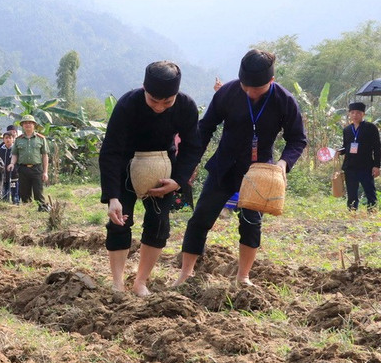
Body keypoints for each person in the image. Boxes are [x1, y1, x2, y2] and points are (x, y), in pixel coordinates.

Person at [175, 49, 307, 287]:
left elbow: (297, 139)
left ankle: (243, 276)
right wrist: (191, 162)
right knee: (200, 219)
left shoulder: (284, 100)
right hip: (224, 166)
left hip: (260, 173)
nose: (250, 92)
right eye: (246, 87)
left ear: (271, 81)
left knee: (251, 223)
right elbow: (205, 128)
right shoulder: (228, 92)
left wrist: (282, 164)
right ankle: (185, 274)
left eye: (257, 89)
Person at [99, 61, 201, 296]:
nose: (159, 107)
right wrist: (112, 197)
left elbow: (192, 146)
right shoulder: (127, 104)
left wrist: (178, 179)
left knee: (158, 223)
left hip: (163, 167)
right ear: (144, 88)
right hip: (127, 163)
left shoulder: (186, 106)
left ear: (176, 94)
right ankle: (117, 283)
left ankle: (141, 282)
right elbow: (110, 150)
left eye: (167, 102)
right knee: (119, 221)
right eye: (154, 100)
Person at [338, 101, 380, 210]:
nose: (355, 115)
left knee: (370, 191)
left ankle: (372, 211)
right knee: (351, 192)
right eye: (352, 113)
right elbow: (346, 147)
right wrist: (339, 151)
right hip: (350, 166)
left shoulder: (371, 128)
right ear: (349, 114)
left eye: (358, 113)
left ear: (363, 114)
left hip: (366, 166)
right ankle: (352, 212)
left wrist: (377, 165)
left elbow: (377, 148)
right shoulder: (347, 130)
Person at [7, 115, 50, 211]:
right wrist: (12, 164)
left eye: (30, 123)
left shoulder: (41, 138)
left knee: (38, 192)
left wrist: (45, 172)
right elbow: (15, 154)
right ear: (22, 125)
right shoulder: (18, 139)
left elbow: (44, 155)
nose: (27, 125)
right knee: (24, 193)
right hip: (23, 169)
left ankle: (42, 210)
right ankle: (27, 211)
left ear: (34, 125)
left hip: (36, 169)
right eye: (25, 123)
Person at [0, 131, 20, 203]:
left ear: (13, 139)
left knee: (14, 192)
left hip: (14, 175)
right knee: (5, 192)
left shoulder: (16, 149)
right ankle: (5, 204)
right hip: (4, 176)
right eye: (6, 138)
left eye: (10, 138)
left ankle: (16, 203)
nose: (8, 140)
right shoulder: (0, 150)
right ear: (3, 139)